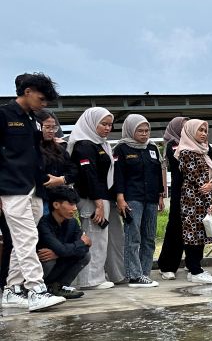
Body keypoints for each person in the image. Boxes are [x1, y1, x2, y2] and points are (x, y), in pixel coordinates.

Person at [0, 72, 65, 312]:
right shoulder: (3, 115)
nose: (44, 103)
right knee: (26, 237)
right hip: (11, 188)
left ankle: (12, 290)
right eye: (42, 98)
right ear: (27, 92)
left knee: (24, 240)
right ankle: (37, 290)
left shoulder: (32, 118)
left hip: (35, 188)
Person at [67, 106, 119, 289]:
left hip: (100, 197)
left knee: (100, 238)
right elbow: (89, 175)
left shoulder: (99, 144)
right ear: (91, 123)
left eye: (110, 125)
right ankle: (90, 280)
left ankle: (95, 276)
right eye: (103, 124)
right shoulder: (84, 145)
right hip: (91, 198)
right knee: (93, 236)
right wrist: (98, 203)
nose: (107, 128)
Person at [113, 114, 164, 287]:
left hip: (151, 198)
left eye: (146, 130)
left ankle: (144, 273)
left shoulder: (152, 148)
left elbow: (157, 173)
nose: (144, 134)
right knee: (133, 237)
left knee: (149, 237)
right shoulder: (122, 149)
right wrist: (120, 197)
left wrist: (160, 196)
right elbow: (118, 175)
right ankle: (133, 275)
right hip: (132, 198)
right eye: (140, 131)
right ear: (130, 130)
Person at [175, 119, 212, 283]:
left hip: (206, 197)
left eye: (205, 130)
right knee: (193, 234)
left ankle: (196, 268)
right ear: (190, 131)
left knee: (202, 233)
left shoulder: (204, 150)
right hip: (193, 199)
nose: (204, 133)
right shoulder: (186, 152)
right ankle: (194, 270)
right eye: (200, 130)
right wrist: (208, 185)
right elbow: (194, 175)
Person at [36, 184, 89, 299]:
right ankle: (40, 289)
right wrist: (80, 243)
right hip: (44, 267)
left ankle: (58, 287)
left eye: (75, 204)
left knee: (85, 255)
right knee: (49, 260)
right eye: (70, 204)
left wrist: (58, 253)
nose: (75, 208)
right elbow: (81, 244)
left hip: (59, 260)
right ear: (56, 205)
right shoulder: (43, 224)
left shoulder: (73, 222)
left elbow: (85, 248)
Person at [157, 116, 188, 279]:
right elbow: (179, 162)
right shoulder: (172, 145)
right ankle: (167, 265)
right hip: (179, 193)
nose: (186, 130)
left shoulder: (197, 144)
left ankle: (192, 264)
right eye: (183, 127)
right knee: (175, 228)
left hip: (196, 194)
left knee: (194, 230)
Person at [36, 110, 76, 212]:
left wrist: (62, 180)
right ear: (37, 126)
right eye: (47, 127)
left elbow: (74, 170)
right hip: (39, 200)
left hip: (59, 200)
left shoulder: (60, 148)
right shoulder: (31, 148)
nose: (51, 131)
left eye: (54, 127)